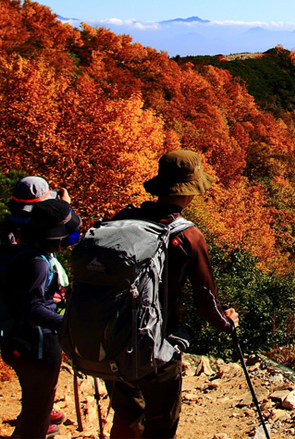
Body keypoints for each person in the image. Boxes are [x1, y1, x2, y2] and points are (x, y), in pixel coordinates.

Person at [101, 150, 239, 438]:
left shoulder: (123, 220)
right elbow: (205, 298)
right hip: (157, 346)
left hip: (112, 338)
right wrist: (226, 323)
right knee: (161, 423)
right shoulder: (187, 236)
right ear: (191, 193)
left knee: (126, 418)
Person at [1, 198, 81, 438]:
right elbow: (32, 308)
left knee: (35, 404)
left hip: (18, 341)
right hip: (36, 346)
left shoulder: (23, 251)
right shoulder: (37, 262)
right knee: (39, 414)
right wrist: (68, 323)